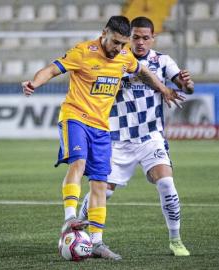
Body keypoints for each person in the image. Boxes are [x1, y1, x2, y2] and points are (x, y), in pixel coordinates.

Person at [22, 16, 183, 260]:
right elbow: (52, 69)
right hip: (75, 117)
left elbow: (145, 72)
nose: (118, 48)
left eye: (122, 44)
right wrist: (34, 83)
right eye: (115, 42)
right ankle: (69, 219)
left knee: (99, 184)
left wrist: (164, 89)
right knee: (78, 162)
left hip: (101, 127)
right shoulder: (83, 51)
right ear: (104, 33)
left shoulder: (125, 57)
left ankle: (96, 242)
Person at [78, 16, 194, 256]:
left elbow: (183, 86)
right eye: (135, 37)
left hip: (150, 137)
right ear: (128, 38)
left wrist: (186, 85)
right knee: (103, 192)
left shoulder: (162, 61)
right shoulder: (115, 59)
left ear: (153, 38)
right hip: (117, 139)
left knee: (166, 183)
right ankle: (78, 232)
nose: (140, 42)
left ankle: (176, 240)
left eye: (145, 38)